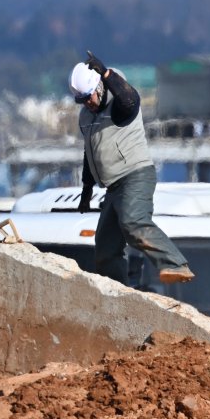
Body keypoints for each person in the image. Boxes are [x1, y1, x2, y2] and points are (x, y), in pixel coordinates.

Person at [68, 51, 195, 285]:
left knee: (133, 222)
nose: (87, 103)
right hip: (113, 187)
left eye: (89, 97)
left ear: (100, 88)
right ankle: (117, 293)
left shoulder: (118, 105)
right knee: (105, 248)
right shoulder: (86, 116)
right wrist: (86, 189)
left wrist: (107, 74)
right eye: (82, 99)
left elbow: (130, 99)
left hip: (135, 176)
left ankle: (175, 264)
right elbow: (90, 152)